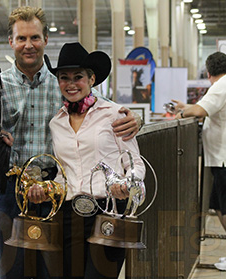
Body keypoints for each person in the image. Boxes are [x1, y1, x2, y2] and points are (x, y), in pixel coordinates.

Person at [0, 6, 142, 279]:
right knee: (8, 267)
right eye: (21, 38)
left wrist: (136, 118)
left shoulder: (60, 86)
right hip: (9, 187)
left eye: (35, 37)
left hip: (54, 190)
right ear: (10, 42)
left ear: (45, 40)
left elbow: (96, 109)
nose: (28, 45)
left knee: (53, 270)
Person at [30, 42, 145, 279]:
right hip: (68, 214)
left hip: (109, 211)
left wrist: (127, 185)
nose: (71, 84)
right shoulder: (57, 123)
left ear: (92, 79)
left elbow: (135, 163)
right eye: (64, 78)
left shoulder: (114, 114)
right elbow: (64, 172)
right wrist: (46, 189)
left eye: (78, 77)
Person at [173, 51, 226, 271]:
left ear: (209, 71)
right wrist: (185, 107)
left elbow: (201, 110)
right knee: (223, 208)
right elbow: (205, 109)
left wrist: (182, 114)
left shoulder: (222, 86)